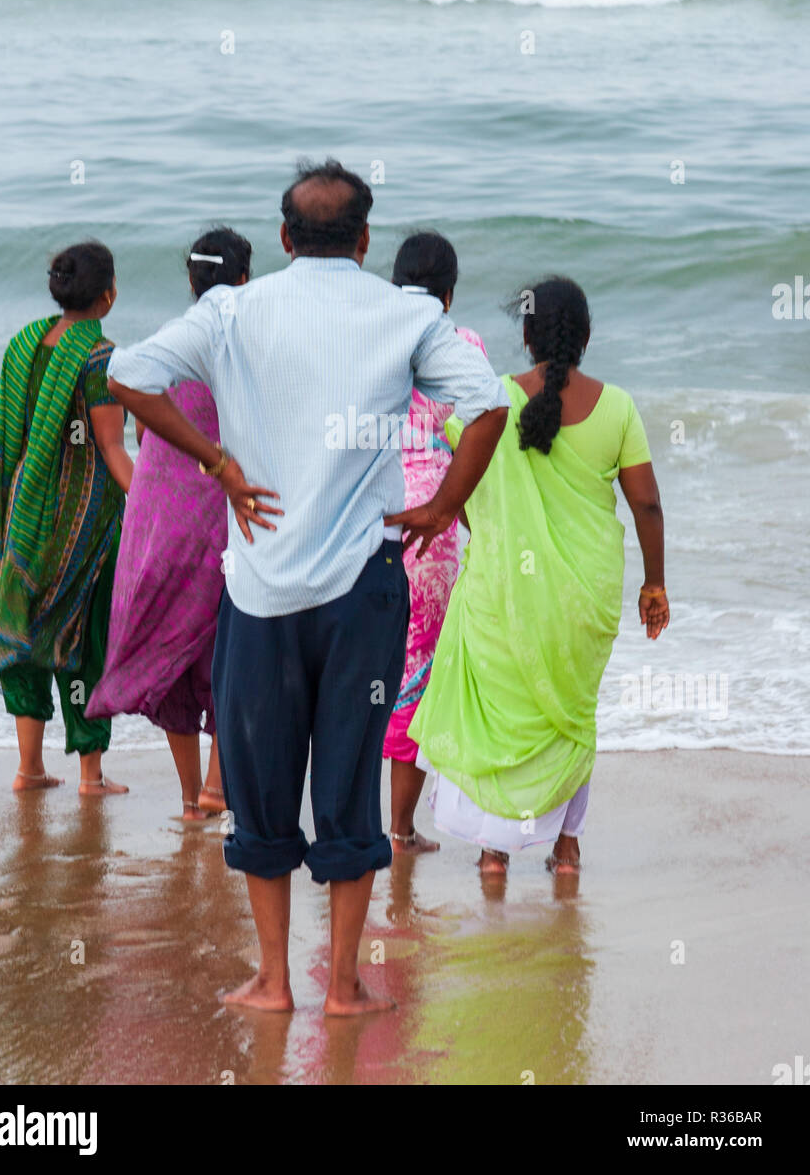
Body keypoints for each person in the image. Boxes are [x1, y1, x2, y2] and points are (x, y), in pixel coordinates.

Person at [105, 160, 509, 1015]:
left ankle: (275, 981)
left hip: (259, 595)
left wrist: (217, 463)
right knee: (351, 781)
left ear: (286, 240)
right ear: (364, 240)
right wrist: (444, 504)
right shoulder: (406, 314)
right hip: (363, 591)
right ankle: (347, 986)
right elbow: (489, 405)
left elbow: (126, 376)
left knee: (259, 786)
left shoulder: (234, 309)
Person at [409, 276, 669, 876]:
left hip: (504, 589)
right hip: (584, 594)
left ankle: (494, 851)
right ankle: (567, 847)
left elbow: (464, 494)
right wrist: (654, 584)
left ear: (525, 336)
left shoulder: (491, 398)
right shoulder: (619, 407)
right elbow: (647, 505)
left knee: (502, 711)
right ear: (586, 336)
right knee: (571, 713)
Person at [86, 230, 252, 819]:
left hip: (156, 516)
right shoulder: (246, 345)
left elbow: (139, 430)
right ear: (245, 280)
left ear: (190, 282)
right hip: (217, 516)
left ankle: (190, 798)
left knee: (172, 657)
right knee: (226, 652)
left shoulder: (165, 343)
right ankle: (216, 785)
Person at [0, 241, 133, 795]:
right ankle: (90, 775)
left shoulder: (23, 344)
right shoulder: (100, 357)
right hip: (85, 528)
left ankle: (29, 769)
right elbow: (111, 448)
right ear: (107, 295)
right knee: (83, 641)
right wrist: (152, 504)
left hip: (23, 520)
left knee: (29, 635)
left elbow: (8, 434)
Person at [384, 232, 488, 855]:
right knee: (416, 676)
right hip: (433, 528)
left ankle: (337, 820)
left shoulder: (365, 335)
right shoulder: (462, 344)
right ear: (449, 293)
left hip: (364, 518)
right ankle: (399, 828)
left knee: (358, 671)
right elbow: (477, 436)